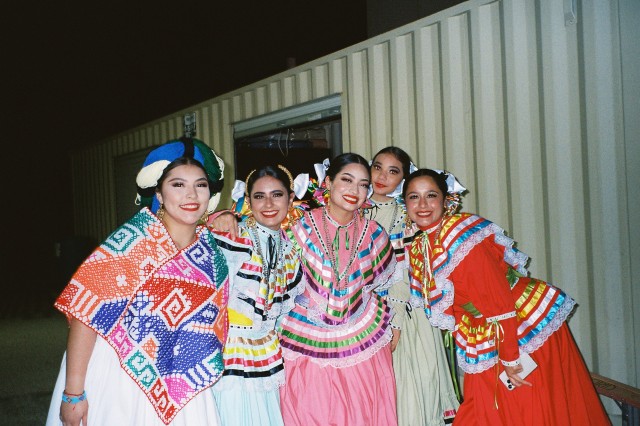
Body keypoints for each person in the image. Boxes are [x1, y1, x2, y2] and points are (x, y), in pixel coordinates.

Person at [46, 138, 232, 426]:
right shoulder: (132, 243)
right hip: (119, 377)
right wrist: (74, 392)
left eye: (201, 184)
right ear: (158, 191)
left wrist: (228, 216)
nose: (191, 195)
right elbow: (86, 314)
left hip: (184, 383)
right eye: (178, 185)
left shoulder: (211, 252)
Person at [403, 168, 611, 425]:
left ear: (447, 201)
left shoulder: (460, 238)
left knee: (524, 410)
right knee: (484, 410)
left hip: (518, 330)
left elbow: (498, 301)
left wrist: (511, 359)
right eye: (414, 197)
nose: (422, 205)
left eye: (431, 195)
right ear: (405, 203)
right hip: (488, 328)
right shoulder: (422, 243)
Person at [277, 153, 399, 426]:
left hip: (361, 337)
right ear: (328, 182)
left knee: (363, 414)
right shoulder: (299, 226)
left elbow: (382, 286)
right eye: (347, 180)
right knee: (310, 412)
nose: (355, 191)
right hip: (306, 338)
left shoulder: (375, 234)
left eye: (363, 184)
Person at [365, 147, 459, 425]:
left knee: (408, 392)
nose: (382, 176)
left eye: (393, 171)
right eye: (378, 167)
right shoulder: (352, 207)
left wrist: (394, 323)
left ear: (403, 179)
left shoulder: (402, 215)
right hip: (356, 316)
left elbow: (403, 271)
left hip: (401, 313)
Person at [210, 165, 305, 426]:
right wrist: (220, 216)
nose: (269, 204)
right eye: (259, 196)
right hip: (230, 355)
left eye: (277, 194)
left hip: (265, 352)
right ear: (248, 201)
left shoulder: (289, 247)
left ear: (290, 198)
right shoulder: (233, 236)